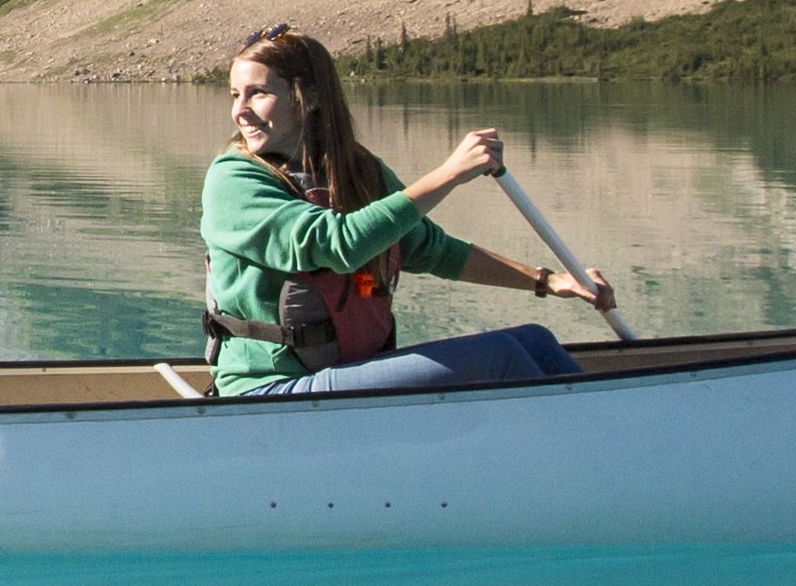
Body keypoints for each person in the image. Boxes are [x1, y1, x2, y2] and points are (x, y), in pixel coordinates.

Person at [202, 25, 611, 398]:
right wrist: (449, 174)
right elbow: (336, 245)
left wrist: (549, 280)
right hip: (268, 388)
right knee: (501, 356)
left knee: (535, 340)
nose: (240, 111)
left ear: (309, 98)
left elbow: (432, 250)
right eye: (235, 95)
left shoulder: (358, 171)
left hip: (343, 371)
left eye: (258, 93)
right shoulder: (233, 180)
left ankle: (603, 432)